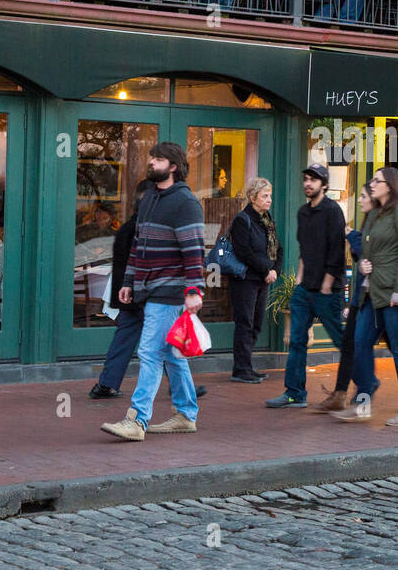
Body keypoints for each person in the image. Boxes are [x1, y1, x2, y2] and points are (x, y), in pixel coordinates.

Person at [101, 142, 205, 439]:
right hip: (147, 289)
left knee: (149, 351)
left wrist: (194, 289)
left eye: (158, 159)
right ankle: (186, 414)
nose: (151, 162)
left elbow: (194, 251)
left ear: (173, 166)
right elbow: (138, 246)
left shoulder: (186, 203)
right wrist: (129, 282)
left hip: (169, 291)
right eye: (152, 157)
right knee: (172, 354)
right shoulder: (149, 199)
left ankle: (137, 420)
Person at [90, 178, 208, 400]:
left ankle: (106, 383)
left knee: (127, 339)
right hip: (147, 294)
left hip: (132, 294)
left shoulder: (128, 228)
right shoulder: (146, 229)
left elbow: (123, 265)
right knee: (165, 341)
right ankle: (179, 389)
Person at [333, 167, 398, 427]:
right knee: (360, 344)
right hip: (374, 293)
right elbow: (367, 249)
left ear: (390, 185)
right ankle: (362, 402)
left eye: (377, 180)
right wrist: (363, 262)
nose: (372, 184)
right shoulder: (376, 214)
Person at [309, 185, 398, 413]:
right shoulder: (368, 221)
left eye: (363, 196)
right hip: (362, 296)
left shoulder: (380, 223)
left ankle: (376, 389)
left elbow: (371, 253)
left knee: (392, 348)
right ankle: (346, 393)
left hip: (376, 297)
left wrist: (351, 235)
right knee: (354, 344)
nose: (359, 200)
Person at [265, 164, 346, 408]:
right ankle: (295, 393)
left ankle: (365, 387)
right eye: (306, 179)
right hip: (304, 291)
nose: (307, 183)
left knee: (342, 340)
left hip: (327, 292)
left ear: (324, 184)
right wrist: (299, 281)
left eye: (313, 180)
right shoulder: (303, 212)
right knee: (297, 341)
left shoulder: (333, 212)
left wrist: (326, 285)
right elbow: (304, 249)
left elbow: (337, 253)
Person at [227, 176, 282, 383]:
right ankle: (240, 369)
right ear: (253, 197)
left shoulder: (268, 220)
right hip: (245, 279)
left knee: (257, 322)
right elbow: (244, 252)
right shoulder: (243, 219)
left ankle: (246, 366)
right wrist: (266, 270)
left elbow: (279, 249)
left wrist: (275, 270)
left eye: (270, 196)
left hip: (263, 279)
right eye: (265, 196)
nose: (269, 200)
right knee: (245, 322)